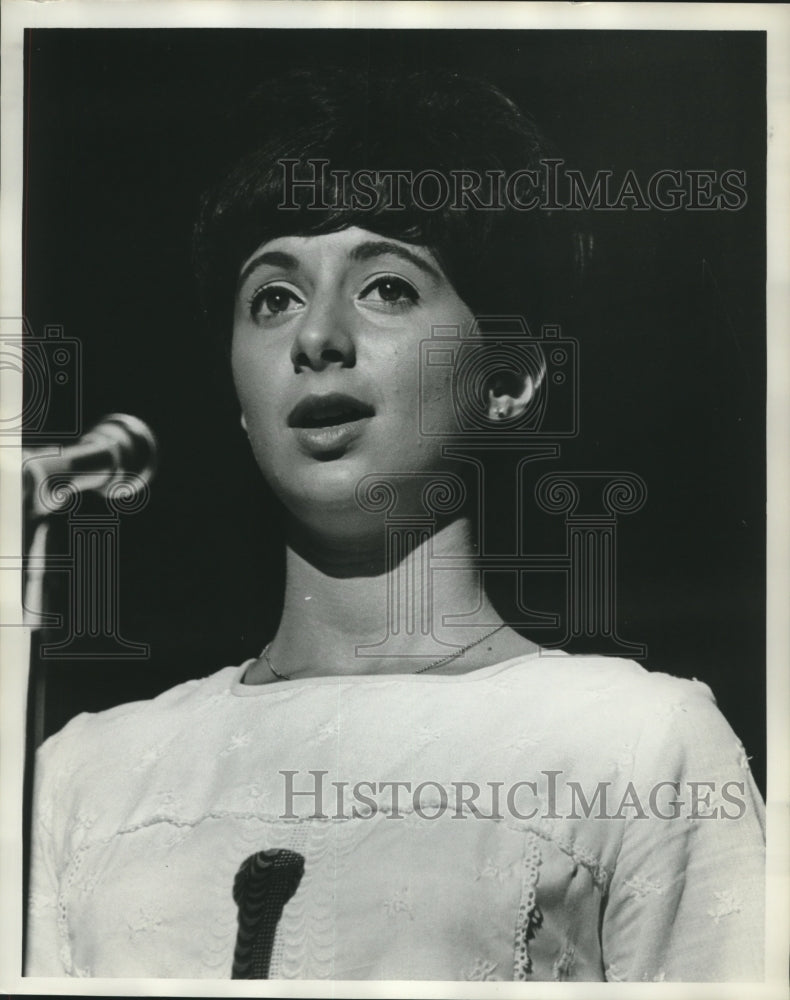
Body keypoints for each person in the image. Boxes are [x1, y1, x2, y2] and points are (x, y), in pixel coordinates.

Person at [25, 68, 764, 982]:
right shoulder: (85, 776)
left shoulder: (634, 742)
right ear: (239, 399)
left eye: (387, 288)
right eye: (273, 299)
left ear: (510, 379)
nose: (317, 338)